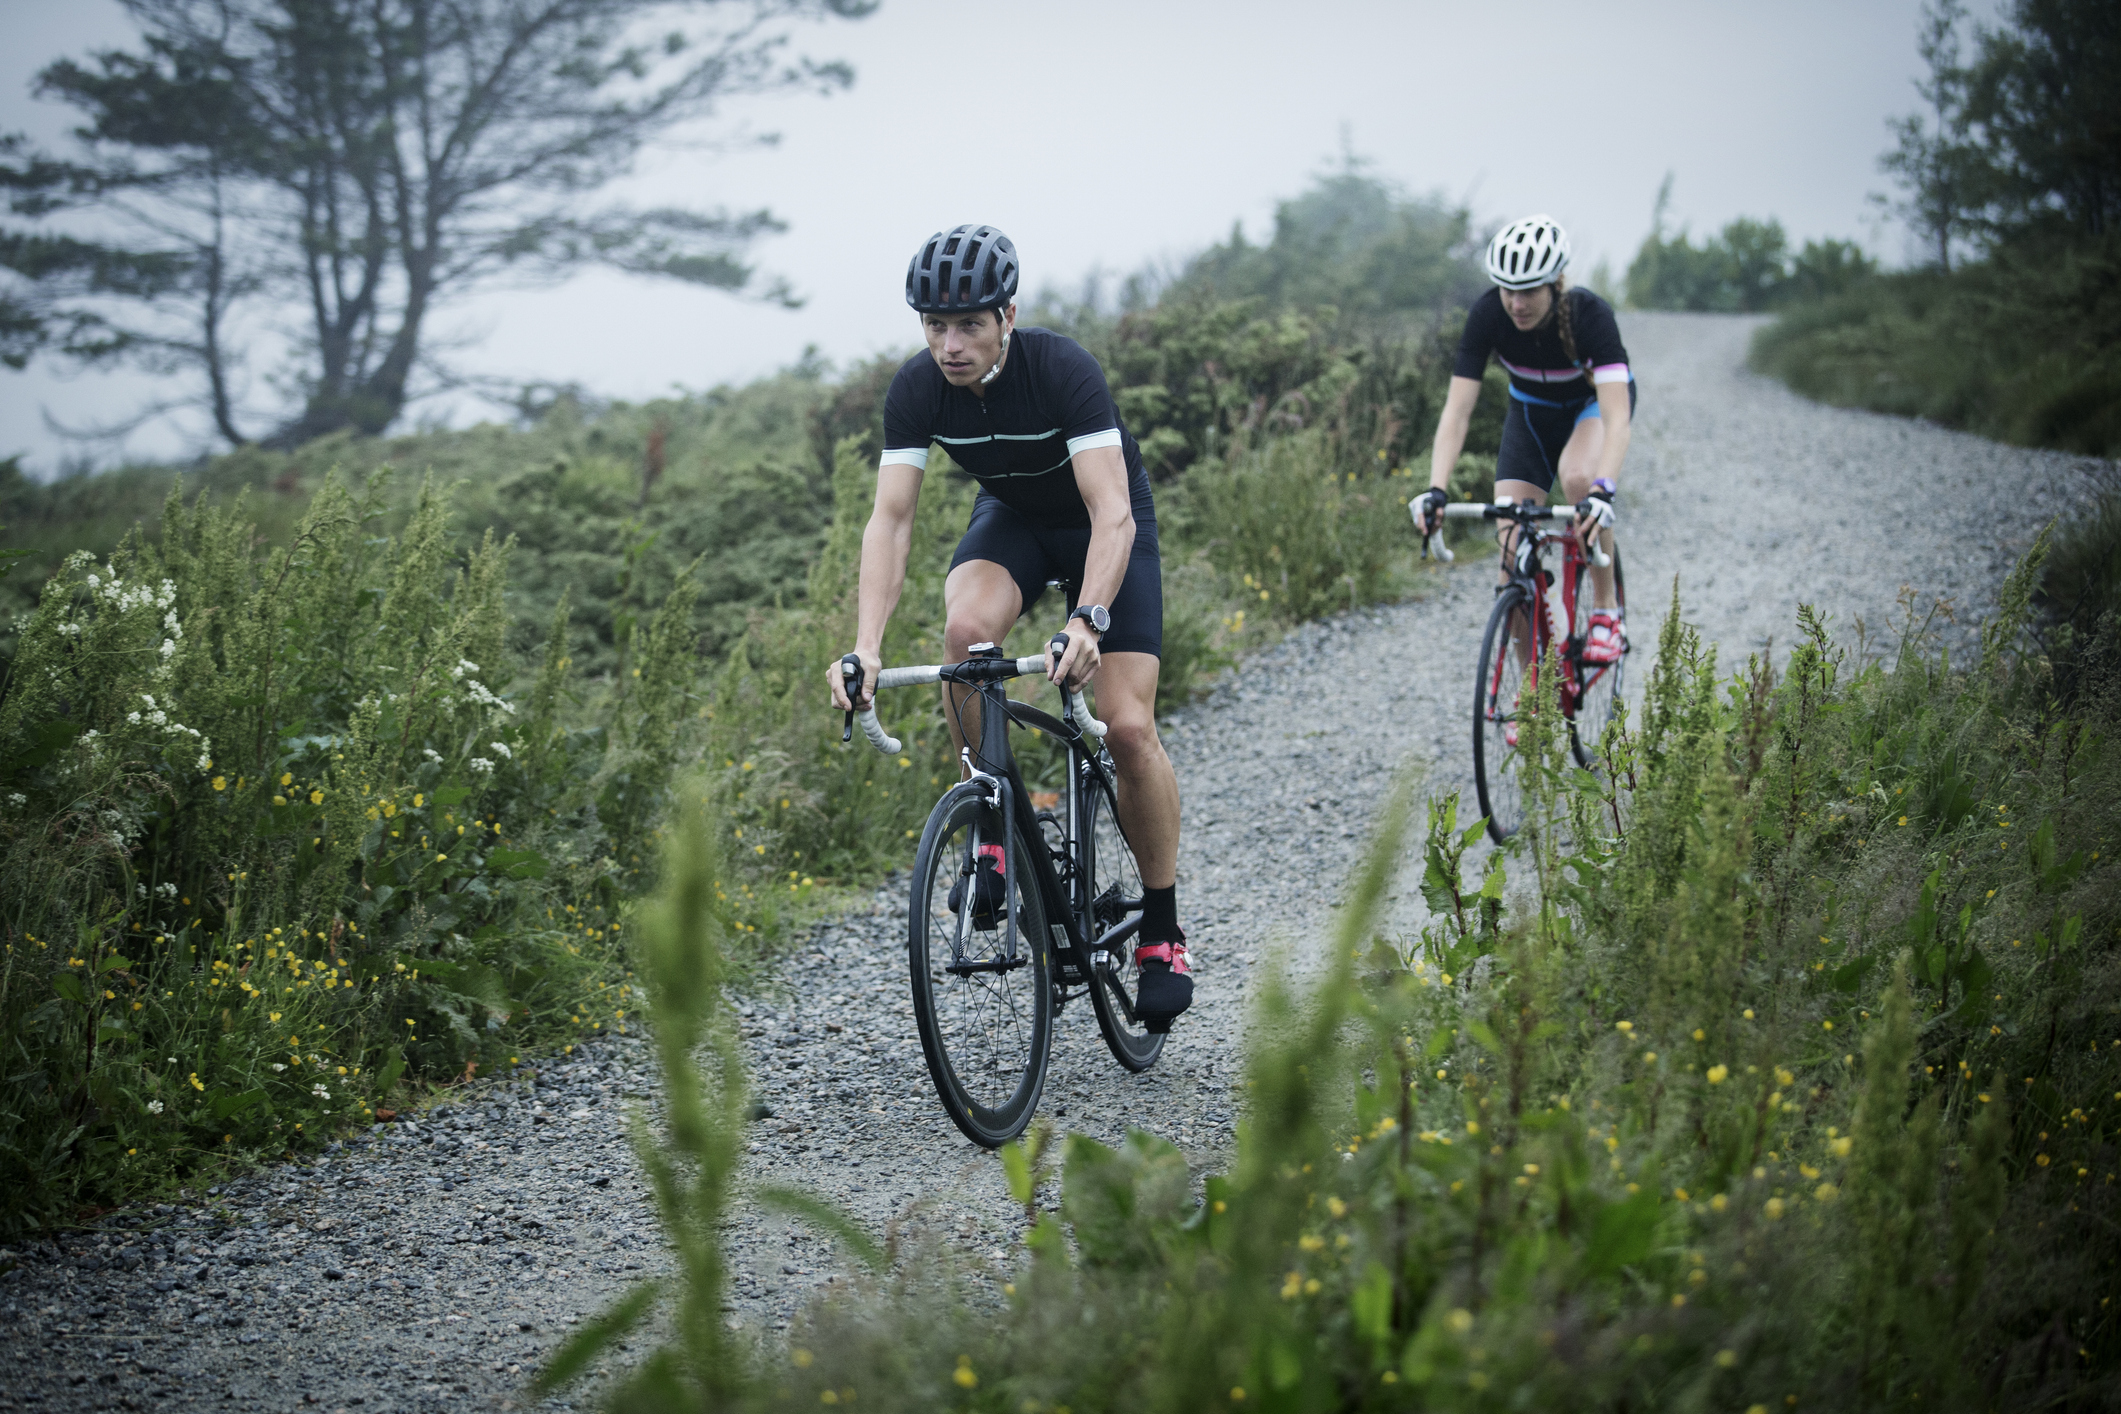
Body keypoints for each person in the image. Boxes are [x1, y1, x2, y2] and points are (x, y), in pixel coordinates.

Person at [826, 224, 1192, 1029]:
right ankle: (990, 825)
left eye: (968, 326)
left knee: (1127, 728)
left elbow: (1111, 511)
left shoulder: (1061, 369)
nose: (949, 346)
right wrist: (866, 646)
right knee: (965, 636)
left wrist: (1089, 618)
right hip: (1016, 522)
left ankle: (1161, 928)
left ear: (1007, 316)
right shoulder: (917, 389)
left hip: (1106, 529)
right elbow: (890, 522)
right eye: (933, 326)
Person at [1413, 214, 1635, 663]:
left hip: (1590, 410)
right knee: (1510, 560)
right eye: (1507, 289)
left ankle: (1607, 611)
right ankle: (1532, 692)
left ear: (1555, 284)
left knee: (1577, 480)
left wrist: (1603, 489)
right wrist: (1436, 488)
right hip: (1531, 414)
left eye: (1529, 289)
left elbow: (1617, 417)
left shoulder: (1590, 316)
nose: (1516, 303)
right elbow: (1457, 412)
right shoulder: (1488, 315)